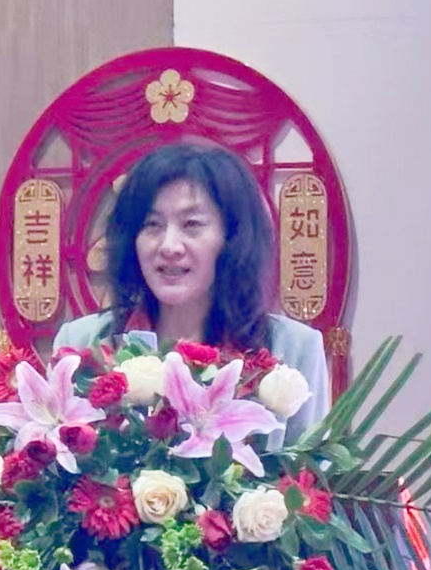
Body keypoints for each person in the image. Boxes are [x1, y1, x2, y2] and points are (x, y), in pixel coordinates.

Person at [52, 144, 330, 445]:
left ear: (232, 238)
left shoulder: (294, 349)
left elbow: (310, 472)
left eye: (192, 225)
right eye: (152, 225)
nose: (169, 246)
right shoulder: (81, 342)